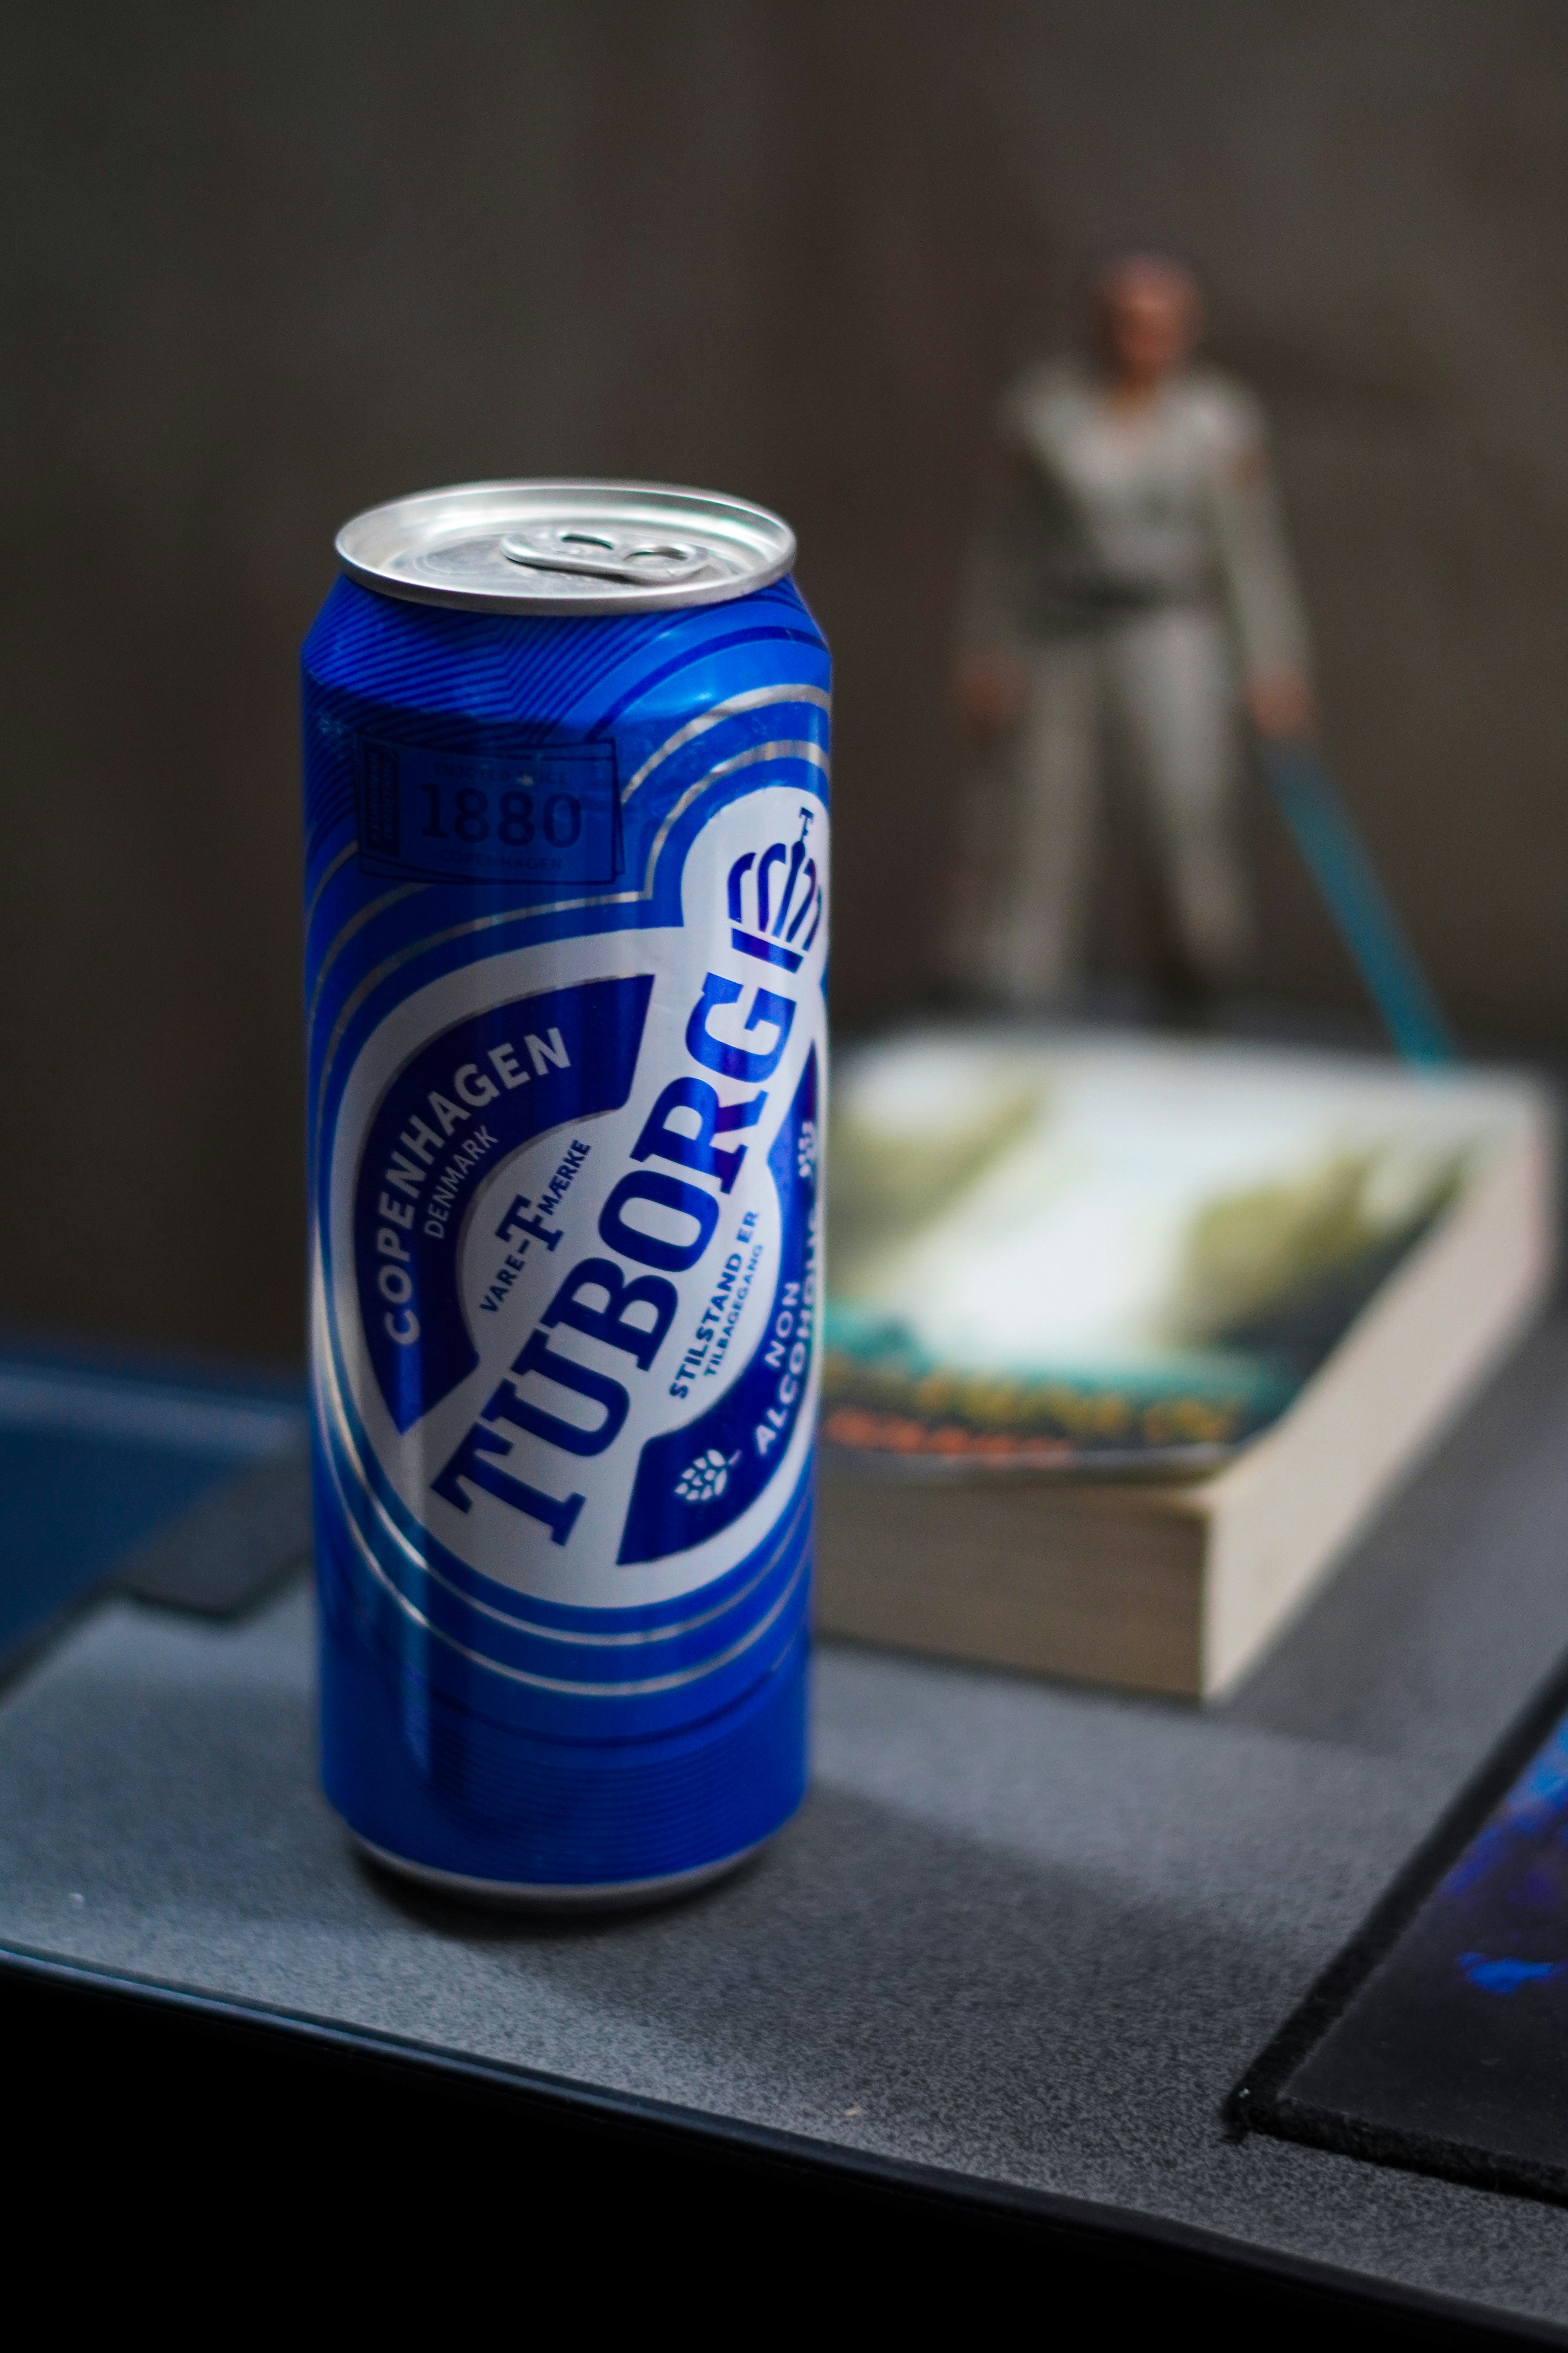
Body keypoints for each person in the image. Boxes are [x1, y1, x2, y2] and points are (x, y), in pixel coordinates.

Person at [948, 254, 1313, 1010]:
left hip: (1172, 629)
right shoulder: (1046, 413)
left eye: (1160, 324)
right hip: (1064, 631)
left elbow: (1249, 552)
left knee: (1183, 808)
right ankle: (1012, 986)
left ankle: (1195, 976)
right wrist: (989, 647)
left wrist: (1271, 661)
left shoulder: (1218, 421)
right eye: (1127, 321)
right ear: (1099, 324)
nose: (1142, 338)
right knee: (1038, 811)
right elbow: (1007, 546)